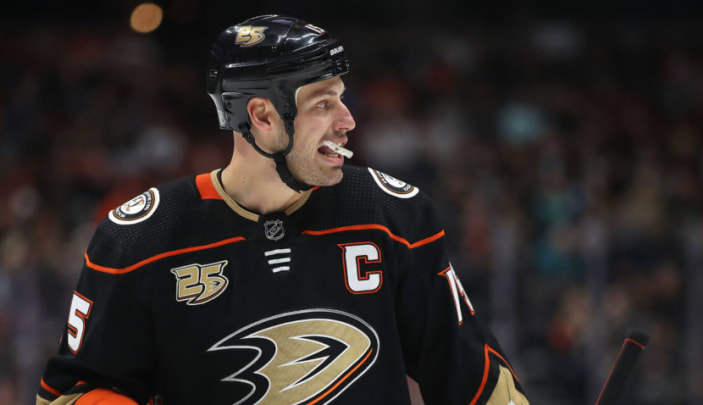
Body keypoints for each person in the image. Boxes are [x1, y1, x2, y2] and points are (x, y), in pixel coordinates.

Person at [36, 14, 530, 405]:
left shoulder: (391, 215)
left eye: (341, 99)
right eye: (322, 104)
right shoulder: (140, 240)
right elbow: (70, 395)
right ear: (263, 117)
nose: (347, 120)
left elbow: (476, 383)